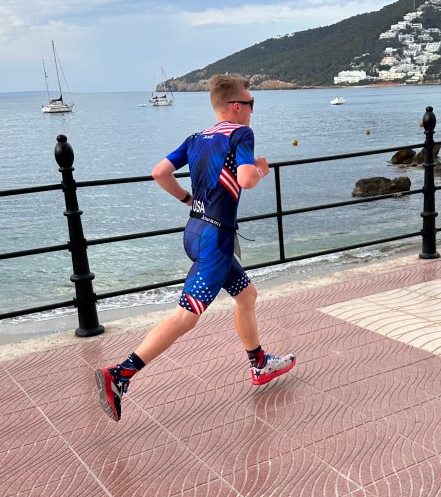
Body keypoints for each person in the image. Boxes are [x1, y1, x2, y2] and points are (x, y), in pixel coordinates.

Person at [95, 73, 296, 422]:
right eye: (251, 103)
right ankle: (120, 374)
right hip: (215, 240)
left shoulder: (195, 139)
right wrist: (261, 169)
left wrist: (188, 199)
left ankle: (259, 363)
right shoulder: (240, 134)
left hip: (195, 231)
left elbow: (159, 173)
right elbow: (247, 179)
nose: (252, 109)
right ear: (236, 106)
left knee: (247, 295)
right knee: (185, 316)